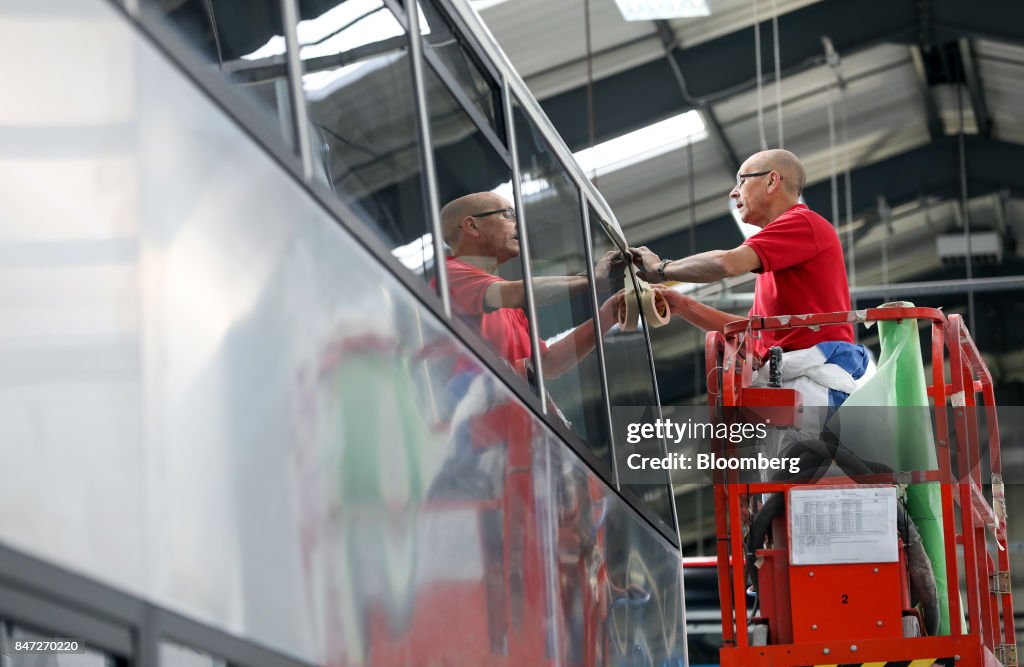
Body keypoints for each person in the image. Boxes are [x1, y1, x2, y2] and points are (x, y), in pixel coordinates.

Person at [630, 149, 868, 414]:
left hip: (812, 386)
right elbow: (752, 340)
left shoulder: (803, 222)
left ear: (771, 181)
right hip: (793, 384)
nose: (734, 192)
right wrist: (683, 305)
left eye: (741, 180)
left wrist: (662, 268)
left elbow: (726, 263)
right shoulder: (777, 260)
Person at [439, 191, 623, 383]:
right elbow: (520, 292)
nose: (519, 225)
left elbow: (548, 363)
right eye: (509, 215)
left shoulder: (507, 304)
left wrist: (610, 313)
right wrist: (591, 280)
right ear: (472, 226)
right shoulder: (450, 274)